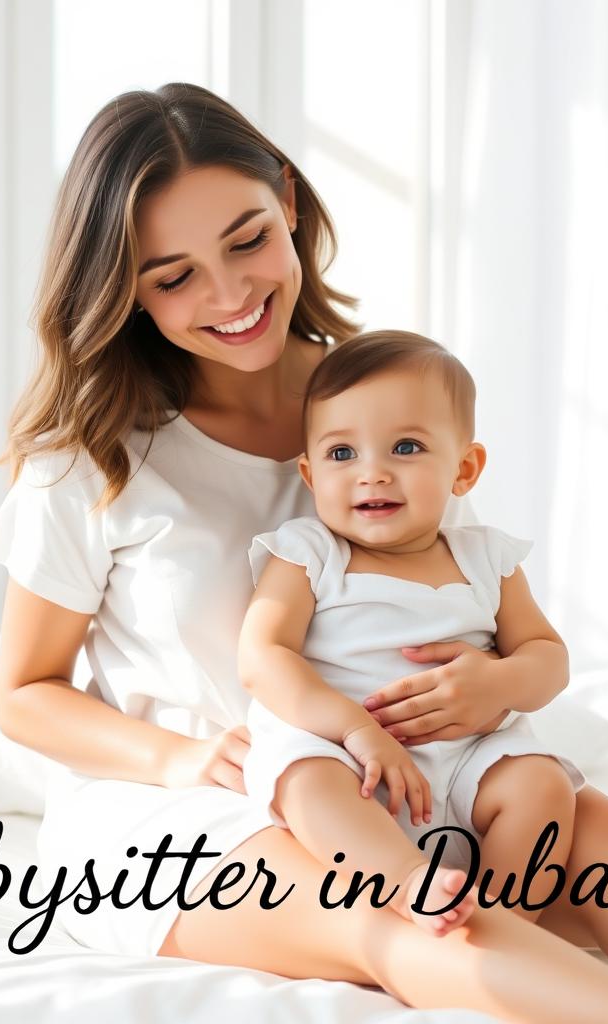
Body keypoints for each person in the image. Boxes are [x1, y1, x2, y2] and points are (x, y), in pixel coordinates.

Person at [0, 82, 608, 1023]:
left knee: (584, 828)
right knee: (404, 919)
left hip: (410, 769)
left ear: (290, 206)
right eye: (172, 275)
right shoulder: (92, 457)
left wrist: (488, 680)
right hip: (198, 814)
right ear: (122, 288)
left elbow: (448, 579)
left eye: (247, 240)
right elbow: (24, 694)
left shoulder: (376, 395)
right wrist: (180, 760)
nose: (229, 296)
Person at [238, 331, 583, 936]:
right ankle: (405, 883)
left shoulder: (486, 559)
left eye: (405, 447)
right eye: (342, 454)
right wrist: (354, 729)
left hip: (469, 759)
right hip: (350, 758)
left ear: (465, 469)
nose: (372, 474)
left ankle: (505, 923)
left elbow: (549, 657)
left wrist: (501, 681)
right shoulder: (308, 555)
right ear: (310, 474)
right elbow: (261, 656)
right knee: (303, 779)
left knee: (543, 785)